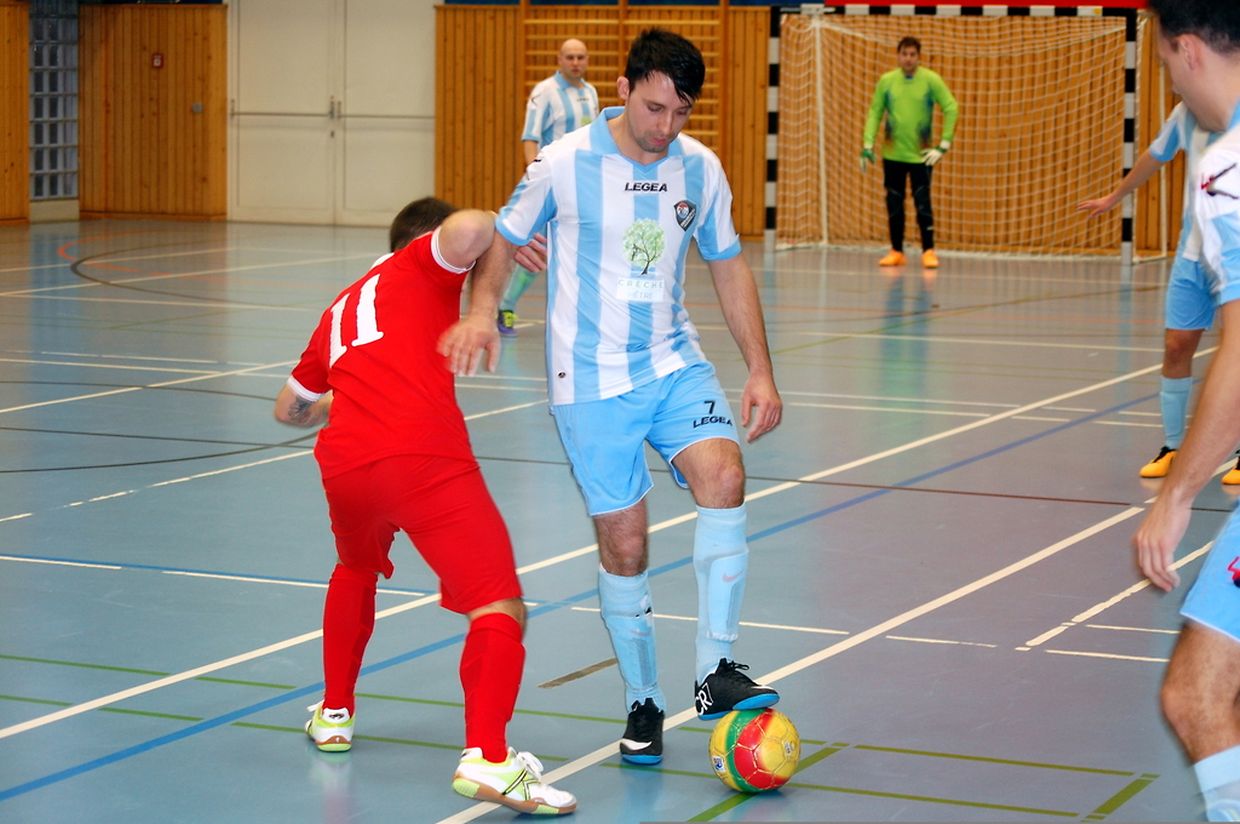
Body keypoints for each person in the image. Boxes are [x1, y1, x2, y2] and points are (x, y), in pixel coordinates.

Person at [443, 28, 784, 767]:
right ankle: (643, 699)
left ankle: (714, 671)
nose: (666, 126)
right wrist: (482, 311)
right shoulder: (564, 162)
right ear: (624, 90)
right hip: (590, 380)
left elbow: (728, 266)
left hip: (672, 362)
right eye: (655, 107)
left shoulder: (700, 168)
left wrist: (760, 369)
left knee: (725, 475)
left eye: (681, 112)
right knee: (626, 545)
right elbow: (504, 235)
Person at [273, 197, 576, 816]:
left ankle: (334, 716)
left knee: (354, 568)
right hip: (420, 455)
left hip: (345, 465)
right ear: (427, 242)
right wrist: (505, 238)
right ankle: (488, 757)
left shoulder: (341, 307)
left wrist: (344, 403)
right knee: (498, 602)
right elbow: (471, 228)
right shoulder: (422, 262)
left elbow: (289, 409)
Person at [1131, 1, 1240, 819]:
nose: (1170, 78)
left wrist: (1176, 497)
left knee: (1198, 696)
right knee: (1203, 694)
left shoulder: (1226, 174)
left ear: (1190, 50)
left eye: (1166, 61)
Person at [1079, 105, 1240, 484]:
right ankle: (1173, 447)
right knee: (1176, 346)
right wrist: (1115, 196)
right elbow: (1155, 155)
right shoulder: (1186, 112)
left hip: (1234, 252)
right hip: (1192, 256)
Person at [497, 38, 600, 338]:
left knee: (583, 250)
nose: (576, 62)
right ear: (559, 59)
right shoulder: (545, 92)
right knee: (534, 251)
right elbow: (530, 137)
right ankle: (505, 306)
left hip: (581, 185)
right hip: (549, 183)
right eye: (570, 57)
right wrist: (535, 176)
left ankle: (578, 316)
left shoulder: (591, 92)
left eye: (581, 57)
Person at [860, 36, 959, 269]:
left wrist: (943, 145)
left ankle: (928, 251)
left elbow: (951, 107)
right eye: (904, 54)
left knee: (922, 203)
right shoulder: (887, 81)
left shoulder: (930, 80)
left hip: (921, 156)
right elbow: (875, 112)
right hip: (892, 155)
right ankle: (896, 251)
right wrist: (867, 144)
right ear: (898, 55)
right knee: (894, 204)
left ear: (919, 57)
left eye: (913, 54)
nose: (908, 59)